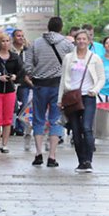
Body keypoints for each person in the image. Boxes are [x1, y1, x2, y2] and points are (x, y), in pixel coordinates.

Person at [24, 16, 74, 168]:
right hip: (58, 86)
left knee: (38, 118)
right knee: (55, 119)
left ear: (48, 27)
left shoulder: (36, 43)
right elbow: (73, 64)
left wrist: (35, 73)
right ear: (61, 28)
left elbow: (27, 66)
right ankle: (52, 156)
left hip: (39, 85)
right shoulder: (67, 45)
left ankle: (38, 153)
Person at [58, 30, 105, 172]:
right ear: (75, 41)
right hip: (72, 97)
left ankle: (88, 161)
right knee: (76, 130)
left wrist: (95, 90)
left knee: (86, 127)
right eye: (79, 39)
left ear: (89, 41)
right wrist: (60, 99)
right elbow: (63, 79)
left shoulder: (95, 58)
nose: (81, 41)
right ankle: (81, 161)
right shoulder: (68, 58)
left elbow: (101, 78)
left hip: (88, 96)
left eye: (84, 39)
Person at [0, 32, 24, 154]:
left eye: (7, 41)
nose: (5, 43)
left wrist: (14, 76)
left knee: (8, 118)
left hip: (10, 90)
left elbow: (21, 71)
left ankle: (5, 144)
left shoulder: (15, 57)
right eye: (3, 41)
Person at [10, 29, 32, 142]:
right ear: (13, 37)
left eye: (22, 36)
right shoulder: (9, 50)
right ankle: (11, 126)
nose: (21, 38)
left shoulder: (27, 50)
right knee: (12, 106)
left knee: (23, 104)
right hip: (11, 82)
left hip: (24, 82)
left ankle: (20, 127)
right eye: (18, 36)